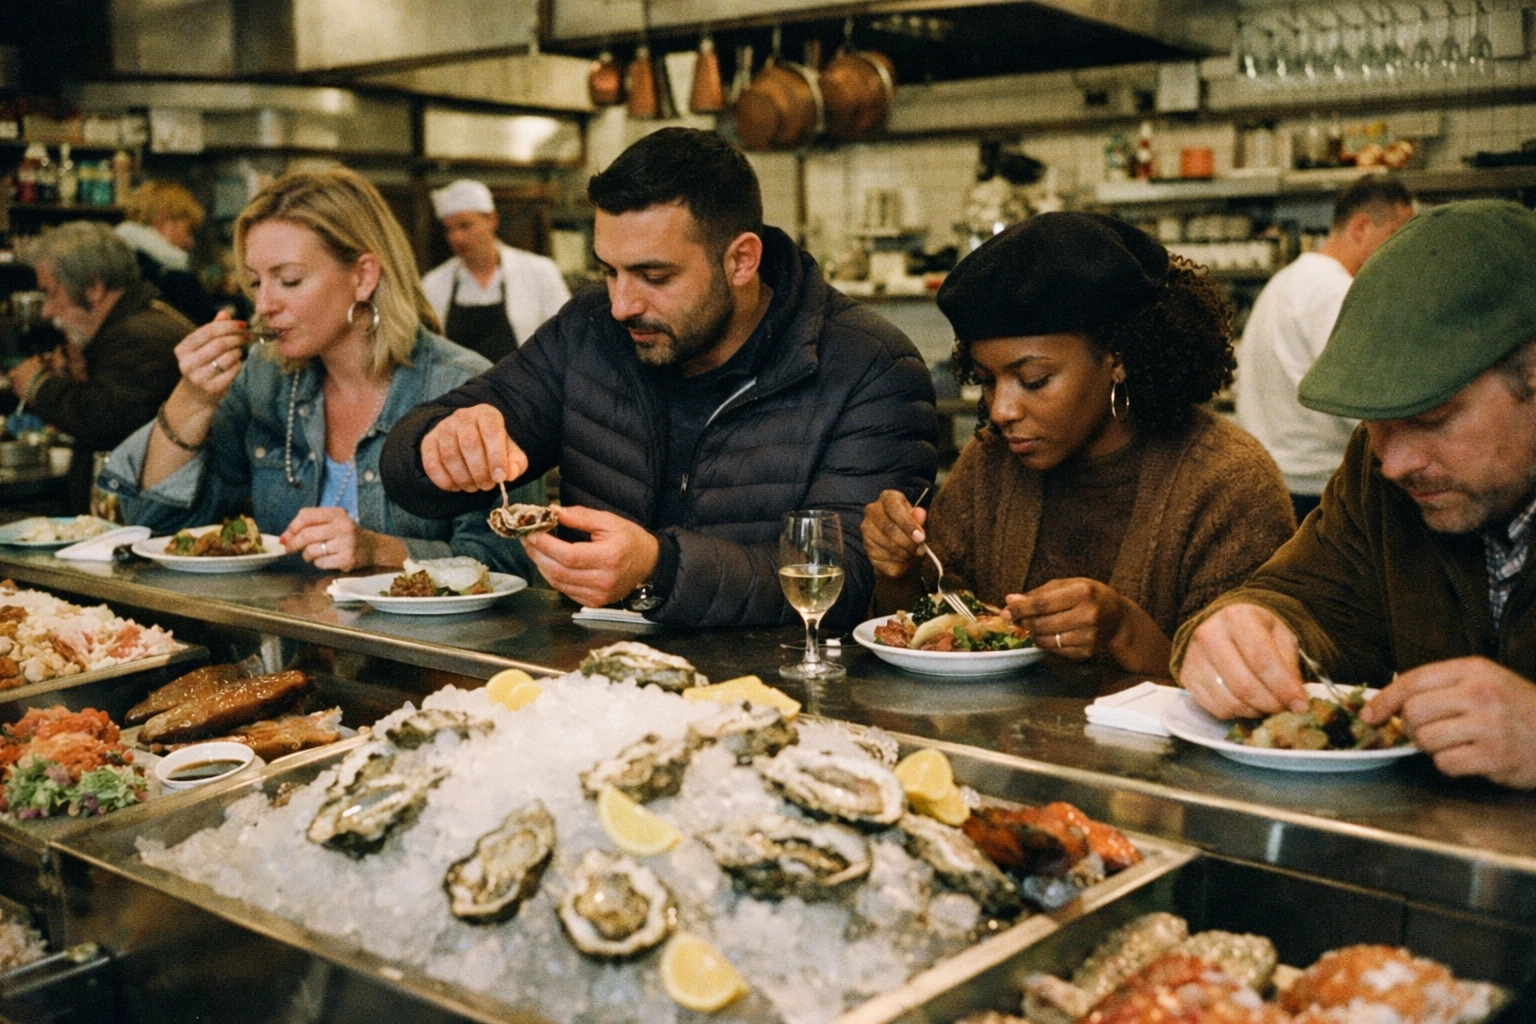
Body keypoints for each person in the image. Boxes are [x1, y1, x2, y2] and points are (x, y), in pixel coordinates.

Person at [382, 127, 936, 628]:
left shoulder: (868, 366)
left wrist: (660, 570)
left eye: (654, 275)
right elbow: (408, 463)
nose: (622, 303)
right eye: (609, 271)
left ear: (741, 260)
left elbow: (848, 582)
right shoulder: (590, 331)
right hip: (598, 690)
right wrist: (438, 445)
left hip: (782, 703)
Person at [1174, 200, 1536, 791]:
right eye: (1377, 423)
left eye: (1433, 418)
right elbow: (1303, 598)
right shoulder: (1379, 475)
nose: (1394, 463)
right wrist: (1242, 627)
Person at [862, 212, 1295, 675]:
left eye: (1034, 380)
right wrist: (898, 569)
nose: (1002, 410)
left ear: (1119, 359)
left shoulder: (1228, 483)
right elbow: (921, 630)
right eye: (987, 380)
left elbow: (1250, 687)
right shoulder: (990, 464)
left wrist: (1123, 631)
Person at [98, 168, 535, 576]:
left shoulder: (463, 388)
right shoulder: (265, 380)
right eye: (255, 282)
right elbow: (156, 531)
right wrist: (191, 399)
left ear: (363, 276)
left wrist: (378, 551)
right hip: (290, 650)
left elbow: (508, 564)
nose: (265, 304)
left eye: (287, 280)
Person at [1236, 175, 1414, 522]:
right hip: (1313, 488)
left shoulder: (1288, 279)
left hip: (1273, 479)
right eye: (1396, 236)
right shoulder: (1334, 290)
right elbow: (1362, 398)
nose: (1403, 253)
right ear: (1361, 227)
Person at [9, 221, 189, 512]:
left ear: (93, 286)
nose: (46, 310)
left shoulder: (141, 337)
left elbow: (105, 420)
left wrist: (38, 384)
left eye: (52, 293)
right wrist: (80, 375)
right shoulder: (131, 326)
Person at [420, 179, 571, 362]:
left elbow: (567, 339)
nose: (456, 238)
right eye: (448, 229)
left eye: (465, 226)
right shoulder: (433, 283)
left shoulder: (540, 272)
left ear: (492, 220)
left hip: (524, 387)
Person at [115, 181, 221, 326]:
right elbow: (212, 324)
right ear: (164, 220)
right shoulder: (175, 280)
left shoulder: (117, 269)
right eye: (188, 230)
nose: (190, 243)